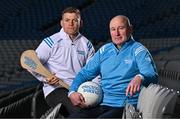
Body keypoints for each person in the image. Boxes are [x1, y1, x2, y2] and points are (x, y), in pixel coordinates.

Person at [68, 15, 158, 118]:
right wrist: (72, 92)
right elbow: (84, 73)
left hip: (126, 106)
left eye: (121, 28)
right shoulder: (104, 50)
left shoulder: (138, 50)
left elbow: (152, 75)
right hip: (103, 104)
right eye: (113, 29)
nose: (117, 33)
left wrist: (140, 77)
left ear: (130, 29)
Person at [29, 7, 96, 117]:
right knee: (80, 113)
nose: (71, 23)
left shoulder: (87, 45)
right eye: (67, 20)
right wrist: (45, 78)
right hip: (56, 89)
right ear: (61, 23)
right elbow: (31, 63)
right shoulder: (51, 42)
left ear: (81, 23)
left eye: (75, 20)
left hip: (78, 89)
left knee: (97, 110)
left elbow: (92, 71)